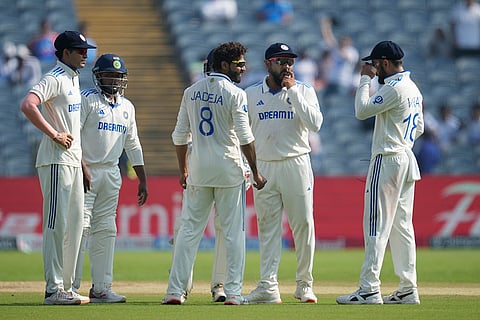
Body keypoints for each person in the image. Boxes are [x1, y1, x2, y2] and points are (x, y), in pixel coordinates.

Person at [163, 41, 267, 305]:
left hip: (198, 169)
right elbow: (245, 137)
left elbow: (178, 136)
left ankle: (175, 291)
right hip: (228, 170)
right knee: (233, 233)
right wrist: (256, 172)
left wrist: (183, 168)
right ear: (224, 65)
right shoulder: (235, 93)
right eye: (239, 64)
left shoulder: (191, 91)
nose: (244, 69)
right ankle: (232, 292)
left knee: (188, 232)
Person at [336, 40, 424, 305]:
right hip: (406, 157)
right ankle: (408, 288)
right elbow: (418, 127)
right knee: (402, 226)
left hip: (388, 159)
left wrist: (364, 80)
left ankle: (369, 288)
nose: (373, 69)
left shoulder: (395, 88)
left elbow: (361, 111)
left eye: (375, 64)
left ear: (385, 63)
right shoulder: (413, 88)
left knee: (376, 224)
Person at [19, 30, 96, 305]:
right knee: (56, 223)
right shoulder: (55, 78)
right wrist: (54, 134)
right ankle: (53, 289)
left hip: (72, 162)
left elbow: (72, 127)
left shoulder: (74, 80)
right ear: (65, 53)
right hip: (54, 160)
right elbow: (28, 105)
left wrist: (83, 164)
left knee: (75, 224)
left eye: (86, 49)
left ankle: (66, 286)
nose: (85, 54)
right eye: (79, 50)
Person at [244, 42, 323, 304]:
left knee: (303, 225)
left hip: (296, 163)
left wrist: (294, 92)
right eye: (281, 61)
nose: (287, 66)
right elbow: (243, 135)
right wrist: (249, 167)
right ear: (268, 64)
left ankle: (304, 285)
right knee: (267, 228)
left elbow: (315, 124)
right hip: (264, 166)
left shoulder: (304, 90)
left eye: (290, 61)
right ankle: (268, 286)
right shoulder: (251, 94)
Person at [72, 53, 148, 303]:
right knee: (79, 228)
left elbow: (133, 145)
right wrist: (82, 167)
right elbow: (73, 136)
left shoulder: (127, 106)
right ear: (98, 76)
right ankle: (69, 286)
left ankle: (102, 287)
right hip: (85, 171)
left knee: (106, 229)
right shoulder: (86, 100)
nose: (114, 80)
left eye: (118, 76)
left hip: (111, 172)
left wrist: (143, 180)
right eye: (109, 75)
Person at [320, 15, 359, 98]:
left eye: (345, 40)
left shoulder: (352, 52)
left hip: (342, 83)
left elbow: (344, 56)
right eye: (342, 40)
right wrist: (326, 26)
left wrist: (337, 47)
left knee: (338, 104)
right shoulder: (337, 49)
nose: (342, 41)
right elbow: (328, 38)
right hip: (331, 81)